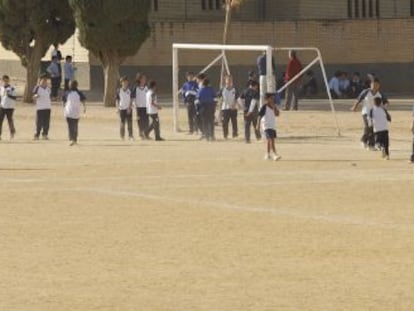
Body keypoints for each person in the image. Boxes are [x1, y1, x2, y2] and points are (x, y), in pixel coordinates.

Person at [351, 78, 389, 150]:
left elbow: (386, 102)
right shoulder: (366, 92)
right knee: (369, 126)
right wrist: (354, 107)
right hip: (366, 112)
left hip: (375, 113)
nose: (374, 86)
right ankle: (370, 145)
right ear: (370, 85)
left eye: (376, 85)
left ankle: (364, 140)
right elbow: (358, 99)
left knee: (372, 128)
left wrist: (384, 108)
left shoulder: (380, 93)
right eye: (373, 84)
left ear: (379, 86)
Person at [257, 93, 282, 161]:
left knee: (269, 140)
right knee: (271, 139)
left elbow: (277, 114)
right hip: (266, 125)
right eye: (271, 98)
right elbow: (259, 116)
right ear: (267, 99)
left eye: (273, 98)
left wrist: (274, 108)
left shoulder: (273, 106)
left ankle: (267, 155)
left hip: (272, 125)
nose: (272, 99)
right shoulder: (264, 107)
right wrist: (258, 124)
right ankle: (274, 154)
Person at [62, 80, 86, 146]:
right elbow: (64, 101)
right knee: (73, 126)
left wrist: (84, 107)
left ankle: (73, 139)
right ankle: (73, 139)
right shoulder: (68, 93)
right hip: (70, 112)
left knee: (73, 126)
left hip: (73, 112)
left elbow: (83, 100)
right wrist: (84, 108)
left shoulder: (78, 93)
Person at [218, 75, 239, 139]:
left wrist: (234, 104)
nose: (229, 81)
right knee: (225, 122)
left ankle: (235, 134)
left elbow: (237, 98)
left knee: (234, 122)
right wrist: (219, 108)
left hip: (233, 108)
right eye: (228, 79)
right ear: (225, 80)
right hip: (225, 108)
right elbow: (219, 98)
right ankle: (225, 135)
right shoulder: (222, 90)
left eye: (230, 79)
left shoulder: (235, 89)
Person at [33, 74, 52, 140]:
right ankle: (37, 134)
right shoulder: (37, 88)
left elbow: (49, 96)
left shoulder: (48, 89)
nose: (44, 82)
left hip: (47, 107)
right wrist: (36, 96)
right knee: (39, 122)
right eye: (43, 80)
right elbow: (34, 95)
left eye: (45, 80)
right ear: (40, 81)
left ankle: (45, 134)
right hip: (40, 108)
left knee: (46, 122)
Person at [116, 76, 134, 141]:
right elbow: (117, 100)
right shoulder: (119, 90)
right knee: (122, 123)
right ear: (121, 83)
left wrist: (129, 107)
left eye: (126, 82)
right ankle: (122, 136)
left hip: (128, 109)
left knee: (129, 123)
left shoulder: (130, 90)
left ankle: (130, 136)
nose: (125, 83)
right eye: (123, 82)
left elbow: (131, 99)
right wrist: (117, 108)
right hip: (122, 109)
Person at [132, 73, 148, 139]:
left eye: (145, 79)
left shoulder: (147, 88)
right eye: (143, 78)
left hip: (146, 107)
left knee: (146, 120)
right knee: (140, 120)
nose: (144, 80)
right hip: (139, 107)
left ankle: (146, 133)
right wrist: (134, 104)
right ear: (140, 79)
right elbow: (133, 97)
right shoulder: (136, 88)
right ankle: (141, 133)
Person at [0, 75, 17, 140]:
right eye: (4, 80)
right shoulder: (1, 88)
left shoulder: (12, 88)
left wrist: (8, 95)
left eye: (6, 80)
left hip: (10, 107)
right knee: (0, 121)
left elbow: (15, 97)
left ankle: (12, 132)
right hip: (2, 106)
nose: (5, 82)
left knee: (10, 120)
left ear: (8, 80)